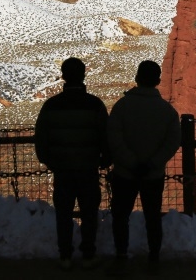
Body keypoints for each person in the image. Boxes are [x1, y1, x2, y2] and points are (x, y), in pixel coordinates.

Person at [106, 60, 181, 276]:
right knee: (152, 216)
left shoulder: (122, 106)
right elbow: (172, 142)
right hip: (153, 175)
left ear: (137, 78)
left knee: (121, 215)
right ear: (158, 80)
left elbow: (114, 138)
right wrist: (152, 163)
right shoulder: (167, 111)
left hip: (124, 174)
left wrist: (130, 162)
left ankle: (121, 255)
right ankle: (154, 257)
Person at [35, 57, 110, 269]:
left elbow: (41, 138)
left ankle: (65, 256)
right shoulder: (94, 104)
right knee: (89, 213)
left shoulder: (51, 105)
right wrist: (105, 159)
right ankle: (88, 254)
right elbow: (106, 135)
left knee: (63, 214)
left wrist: (50, 161)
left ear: (63, 76)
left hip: (62, 170)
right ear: (83, 75)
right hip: (88, 168)